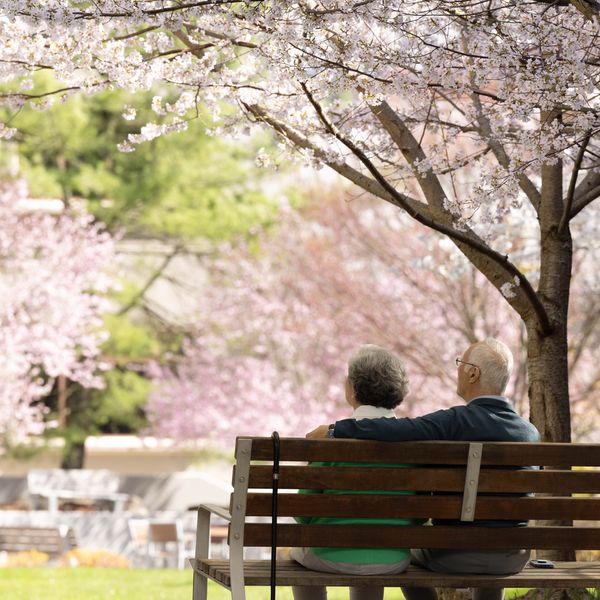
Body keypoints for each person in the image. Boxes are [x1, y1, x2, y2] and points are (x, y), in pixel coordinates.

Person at [307, 337, 540, 600]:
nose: (457, 370)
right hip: (513, 558)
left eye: (460, 364)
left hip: (457, 554)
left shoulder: (454, 422)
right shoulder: (530, 433)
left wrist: (336, 429)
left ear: (474, 373)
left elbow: (398, 429)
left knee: (408, 555)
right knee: (493, 540)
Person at [292, 344, 418, 600]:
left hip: (329, 556)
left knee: (297, 552)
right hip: (393, 558)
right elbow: (419, 516)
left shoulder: (331, 443)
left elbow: (302, 515)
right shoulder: (415, 446)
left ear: (352, 388)